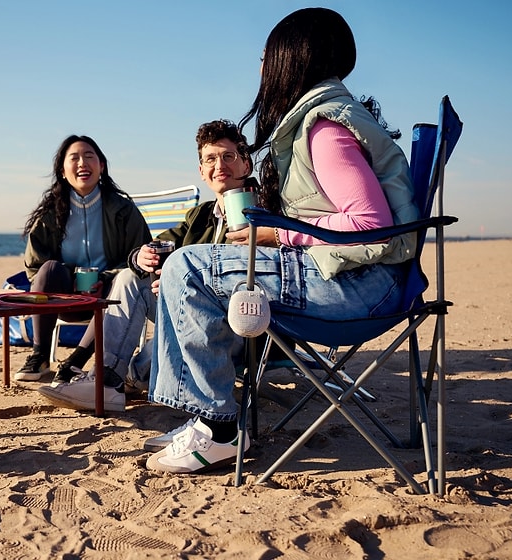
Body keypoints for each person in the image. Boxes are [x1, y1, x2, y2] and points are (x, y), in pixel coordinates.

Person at [144, 7, 418, 474]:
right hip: (361, 278)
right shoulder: (324, 117)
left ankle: (219, 427)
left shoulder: (324, 129)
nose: (261, 69)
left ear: (293, 58)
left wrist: (276, 234)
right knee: (193, 263)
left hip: (359, 286)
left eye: (266, 57)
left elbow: (370, 225)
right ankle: (205, 417)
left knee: (187, 268)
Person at [37, 120, 256, 412]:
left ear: (245, 164)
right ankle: (106, 383)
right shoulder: (199, 216)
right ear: (202, 171)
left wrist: (182, 279)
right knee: (129, 278)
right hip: (189, 316)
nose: (220, 165)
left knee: (149, 362)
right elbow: (154, 246)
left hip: (238, 327)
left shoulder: (260, 212)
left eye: (228, 156)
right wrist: (141, 256)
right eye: (211, 159)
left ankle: (119, 377)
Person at [15, 134, 151, 381]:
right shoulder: (50, 212)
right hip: (62, 299)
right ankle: (40, 355)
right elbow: (35, 266)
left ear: (102, 166)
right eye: (74, 158)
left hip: (110, 297)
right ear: (62, 170)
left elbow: (140, 259)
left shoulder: (123, 210)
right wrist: (72, 283)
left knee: (124, 281)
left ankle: (76, 360)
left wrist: (104, 279)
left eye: (90, 157)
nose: (82, 163)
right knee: (49, 269)